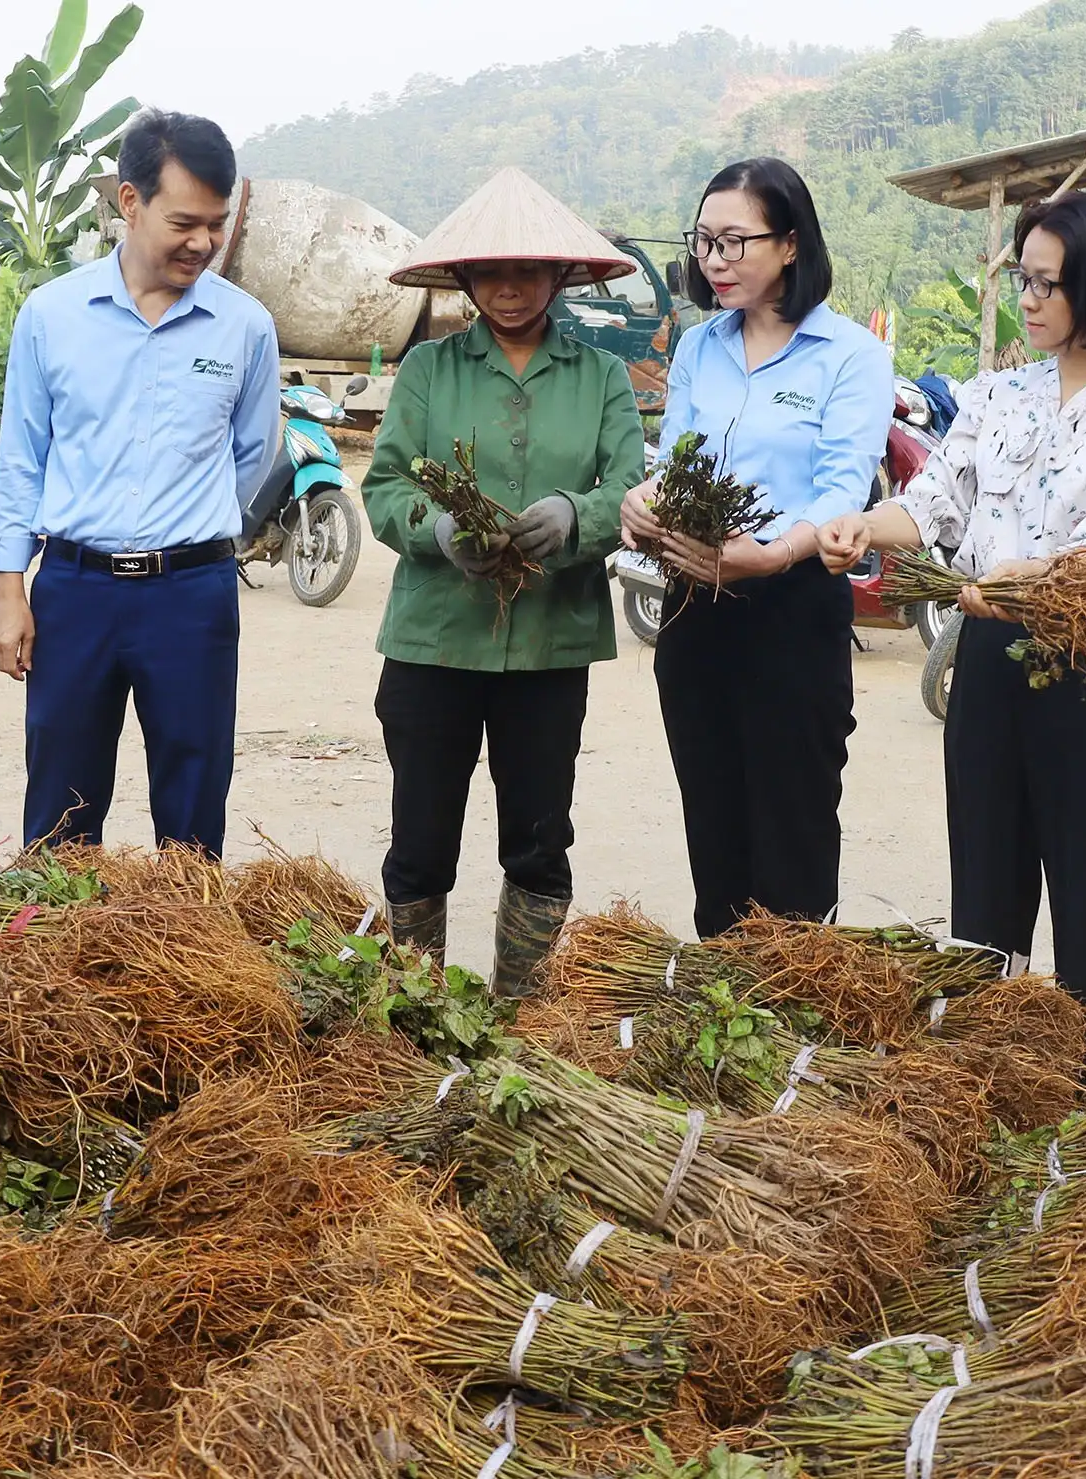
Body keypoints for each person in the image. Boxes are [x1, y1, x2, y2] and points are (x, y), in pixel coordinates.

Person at [819, 195, 1086, 1076]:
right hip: (987, 659)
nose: (1027, 298)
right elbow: (934, 504)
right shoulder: (995, 395)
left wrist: (996, 582)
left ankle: (1079, 1094)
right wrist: (861, 528)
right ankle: (990, 1083)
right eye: (1022, 278)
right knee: (985, 887)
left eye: (1046, 282)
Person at [362, 168, 645, 992]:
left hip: (549, 650)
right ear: (465, 279)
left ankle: (522, 1016)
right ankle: (417, 1015)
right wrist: (440, 527)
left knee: (538, 837)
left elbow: (629, 488)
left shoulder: (602, 378)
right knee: (420, 839)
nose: (511, 288)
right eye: (492, 271)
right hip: (432, 646)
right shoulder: (428, 371)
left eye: (530, 271)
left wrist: (574, 515)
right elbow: (385, 487)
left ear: (562, 276)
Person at [0, 109, 278, 856]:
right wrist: (7, 591)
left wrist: (196, 534)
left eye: (216, 224)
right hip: (75, 592)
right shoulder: (52, 315)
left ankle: (181, 955)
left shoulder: (243, 327)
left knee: (193, 797)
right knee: (61, 801)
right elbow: (23, 457)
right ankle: (50, 948)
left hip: (192, 598)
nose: (203, 243)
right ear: (129, 202)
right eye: (185, 222)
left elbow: (252, 454)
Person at [620, 158, 893, 941]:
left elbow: (843, 489)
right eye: (704, 241)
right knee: (715, 829)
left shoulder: (849, 355)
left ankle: (794, 1030)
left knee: (794, 835)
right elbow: (678, 460)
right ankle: (725, 1023)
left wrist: (773, 555)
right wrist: (646, 504)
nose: (714, 260)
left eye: (735, 241)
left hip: (792, 608)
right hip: (695, 608)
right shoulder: (701, 347)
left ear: (792, 244)